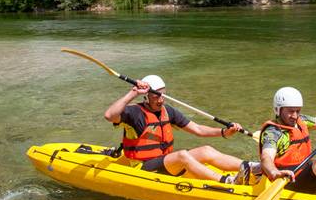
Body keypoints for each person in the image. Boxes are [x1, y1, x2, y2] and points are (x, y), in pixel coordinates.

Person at [104, 74, 251, 183]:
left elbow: (197, 129)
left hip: (165, 163)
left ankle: (252, 168)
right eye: (155, 96)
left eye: (162, 95)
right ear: (145, 97)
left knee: (206, 150)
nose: (160, 100)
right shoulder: (134, 113)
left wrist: (224, 132)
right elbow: (109, 115)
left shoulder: (167, 111)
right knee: (182, 155)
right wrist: (133, 93)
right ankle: (227, 181)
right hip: (143, 168)